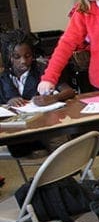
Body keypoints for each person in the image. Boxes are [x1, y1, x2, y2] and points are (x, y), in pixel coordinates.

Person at [1, 29, 75, 157]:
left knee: (59, 142)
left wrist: (53, 98)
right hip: (17, 133)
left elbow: (69, 91)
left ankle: (64, 172)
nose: (23, 61)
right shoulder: (4, 78)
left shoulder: (42, 69)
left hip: (44, 126)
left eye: (27, 55)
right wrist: (8, 103)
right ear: (9, 57)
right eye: (16, 57)